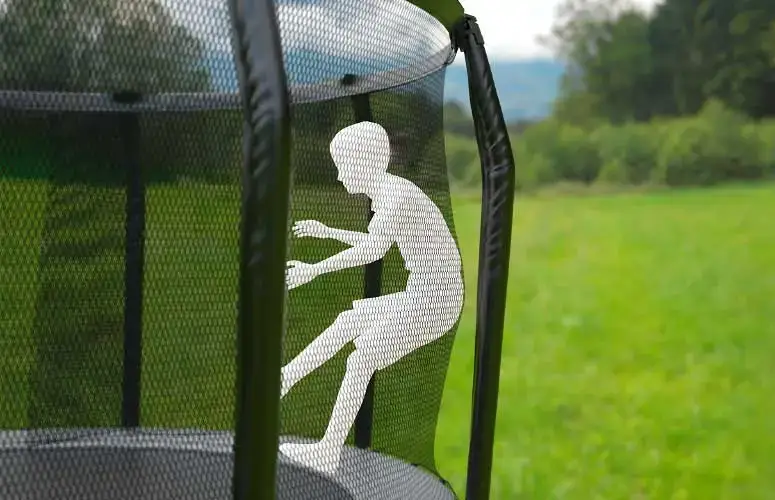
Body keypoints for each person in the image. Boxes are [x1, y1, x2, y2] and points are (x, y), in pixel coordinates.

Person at [280, 121, 464, 475]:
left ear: (362, 164)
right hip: (425, 292)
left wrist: (314, 269)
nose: (337, 176)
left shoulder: (395, 198)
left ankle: (327, 452)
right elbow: (374, 240)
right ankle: (287, 377)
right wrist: (328, 231)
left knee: (361, 359)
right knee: (348, 321)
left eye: (342, 167)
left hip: (435, 299)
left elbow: (372, 251)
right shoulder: (391, 192)